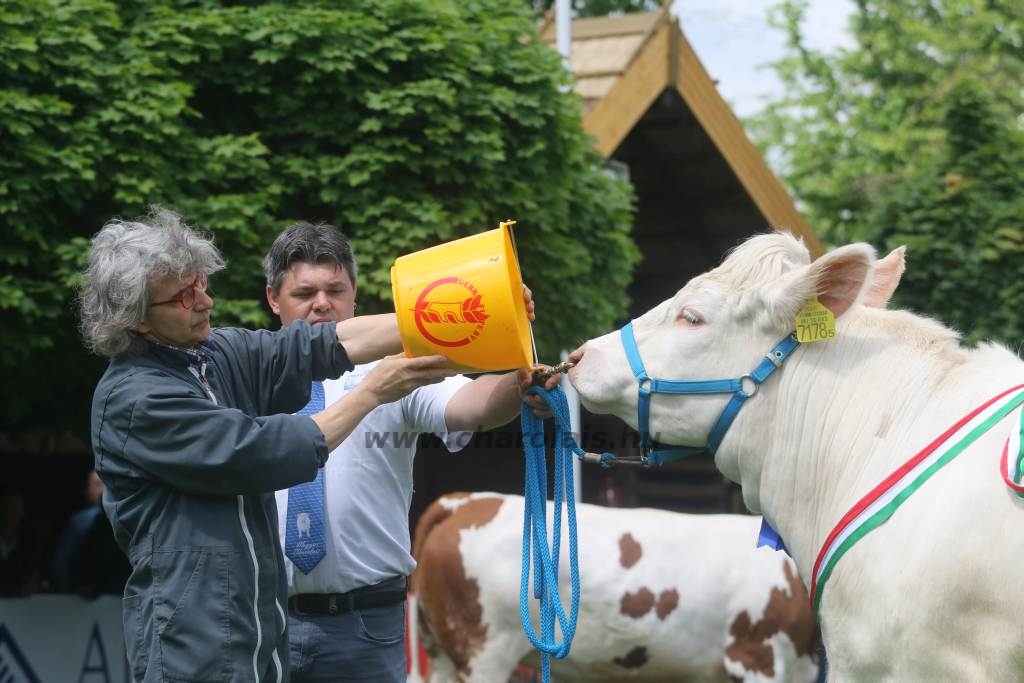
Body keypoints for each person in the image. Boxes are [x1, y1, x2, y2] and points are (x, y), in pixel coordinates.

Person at [79, 207, 456, 683]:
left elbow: (323, 343)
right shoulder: (136, 399)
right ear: (136, 320)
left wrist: (456, 311)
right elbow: (259, 452)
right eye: (182, 296)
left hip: (258, 639)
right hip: (192, 651)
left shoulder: (212, 355)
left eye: (200, 283)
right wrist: (374, 391)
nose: (206, 301)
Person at [263, 221, 558, 682]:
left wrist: (518, 381)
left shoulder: (394, 367)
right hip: (265, 619)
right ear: (273, 299)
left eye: (335, 290)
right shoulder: (247, 376)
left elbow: (470, 407)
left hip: (367, 623)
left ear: (354, 296)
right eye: (305, 293)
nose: (322, 303)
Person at [50, 468, 104, 593]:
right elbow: (62, 562)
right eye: (95, 485)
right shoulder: (79, 521)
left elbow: (61, 563)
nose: (100, 490)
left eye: (101, 484)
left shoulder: (82, 520)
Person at [0, 488, 44, 597]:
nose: (11, 513)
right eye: (6, 507)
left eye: (15, 507)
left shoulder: (31, 536)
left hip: (21, 604)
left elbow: (29, 577)